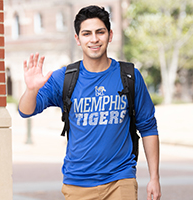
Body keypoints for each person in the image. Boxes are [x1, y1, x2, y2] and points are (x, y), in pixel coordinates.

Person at [18, 5, 161, 200]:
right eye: (86, 34)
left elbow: (148, 127)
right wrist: (32, 90)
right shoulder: (64, 78)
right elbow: (26, 111)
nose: (94, 39)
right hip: (78, 183)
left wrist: (154, 177)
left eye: (99, 32)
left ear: (110, 35)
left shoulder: (129, 76)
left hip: (120, 180)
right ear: (78, 39)